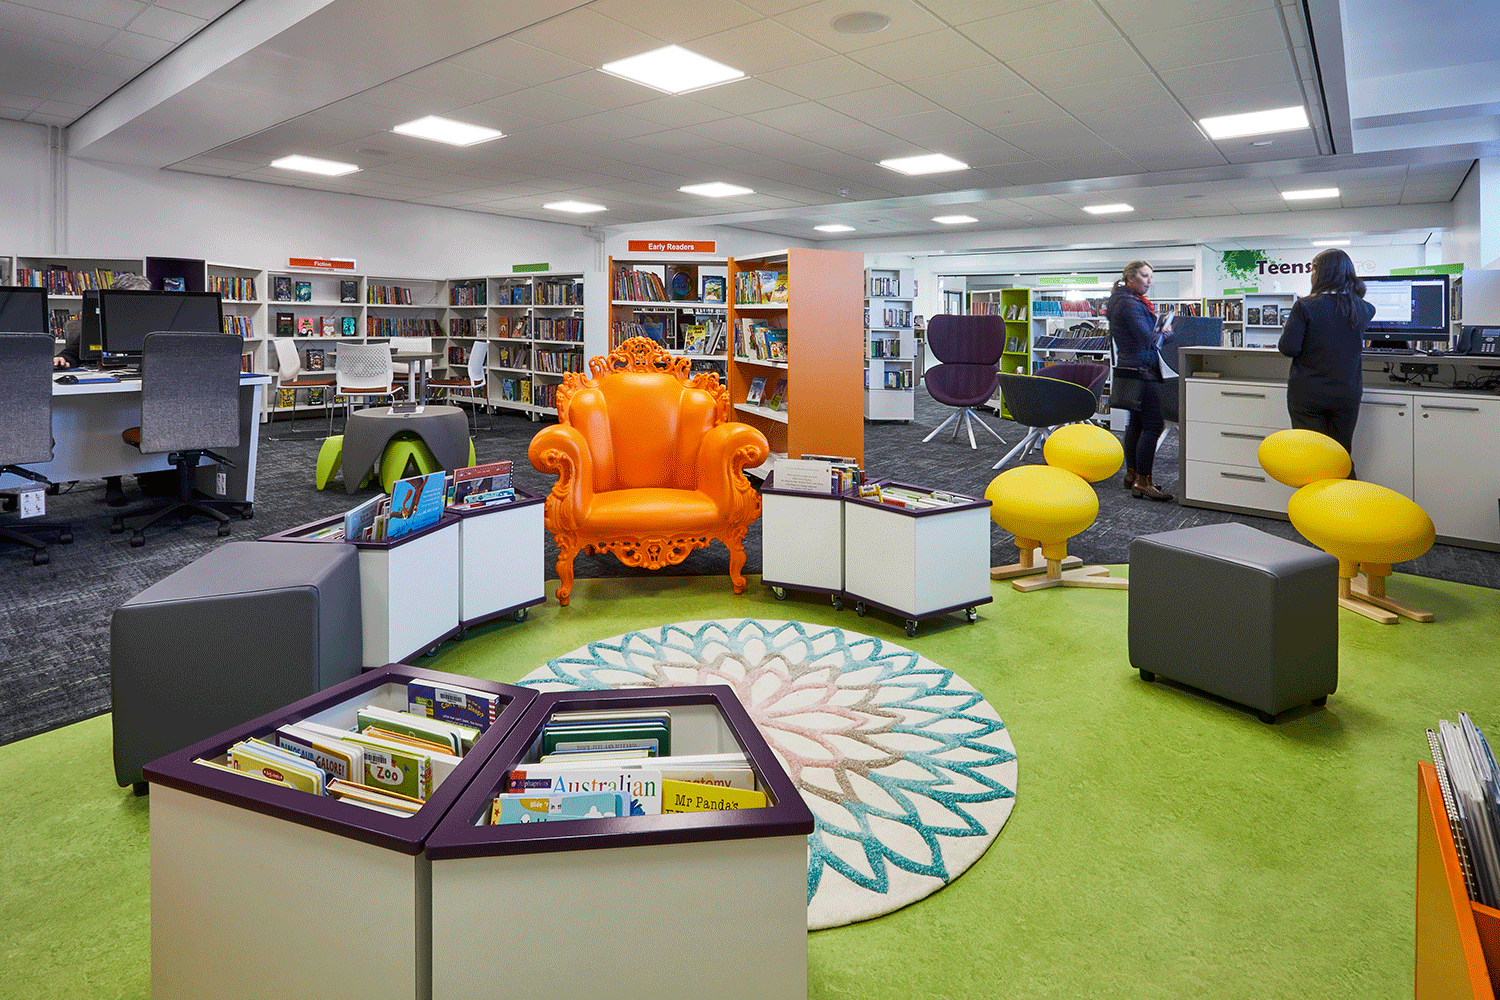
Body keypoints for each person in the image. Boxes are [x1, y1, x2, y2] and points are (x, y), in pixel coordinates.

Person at [52, 272, 154, 505]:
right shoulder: (98, 325)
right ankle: (113, 480)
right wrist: (62, 360)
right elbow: (72, 354)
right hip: (110, 392)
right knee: (108, 417)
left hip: (144, 389)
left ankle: (154, 472)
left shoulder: (153, 326)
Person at [1278, 248, 1376, 457]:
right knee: (1340, 455)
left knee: (1312, 457)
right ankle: (1345, 480)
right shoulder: (1365, 308)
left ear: (1321, 272)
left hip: (1308, 394)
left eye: (1313, 269)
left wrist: (1290, 328)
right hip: (1347, 393)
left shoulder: (1305, 306)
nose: (1311, 274)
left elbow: (1289, 348)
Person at [1106, 260, 1173, 501]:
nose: (1149, 281)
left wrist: (1157, 331)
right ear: (1130, 277)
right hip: (1142, 368)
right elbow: (1147, 338)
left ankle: (1132, 475)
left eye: (1151, 277)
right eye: (1145, 276)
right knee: (1153, 425)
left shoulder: (1121, 300)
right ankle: (1144, 481)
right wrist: (1165, 332)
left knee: (1135, 423)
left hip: (1131, 365)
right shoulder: (1129, 303)